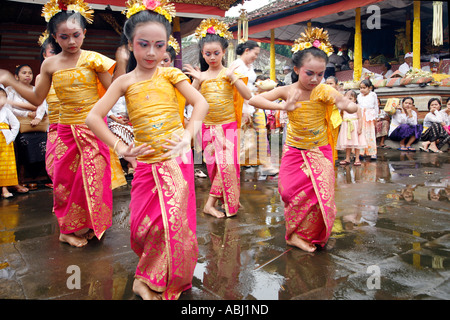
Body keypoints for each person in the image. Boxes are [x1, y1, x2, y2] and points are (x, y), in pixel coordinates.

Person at [86, 1, 209, 300]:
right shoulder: (124, 82)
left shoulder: (171, 75)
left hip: (175, 160)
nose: (152, 53)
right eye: (144, 45)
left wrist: (186, 136)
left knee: (176, 225)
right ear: (131, 45)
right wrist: (121, 148)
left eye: (159, 45)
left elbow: (201, 104)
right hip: (144, 165)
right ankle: (150, 272)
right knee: (144, 227)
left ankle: (152, 280)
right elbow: (92, 117)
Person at [0, 0, 119, 247]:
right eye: (64, 37)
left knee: (96, 180)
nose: (72, 41)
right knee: (66, 184)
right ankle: (67, 231)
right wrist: (11, 82)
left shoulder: (94, 60)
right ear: (55, 37)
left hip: (92, 131)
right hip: (64, 132)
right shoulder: (49, 64)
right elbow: (36, 99)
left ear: (84, 33)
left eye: (76, 35)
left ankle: (90, 225)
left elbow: (113, 92)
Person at [249, 27, 358, 253]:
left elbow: (346, 104)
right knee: (288, 192)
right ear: (297, 69)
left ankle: (308, 236)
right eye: (310, 73)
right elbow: (255, 100)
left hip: (320, 150)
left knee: (320, 198)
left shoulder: (325, 91)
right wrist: (282, 107)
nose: (315, 79)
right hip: (294, 150)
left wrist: (349, 106)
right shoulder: (286, 90)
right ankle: (294, 234)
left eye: (320, 74)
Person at [184, 19, 251, 219]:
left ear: (224, 51)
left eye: (216, 53)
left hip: (229, 126)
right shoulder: (201, 75)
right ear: (202, 54)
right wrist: (196, 80)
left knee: (228, 166)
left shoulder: (230, 74)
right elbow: (188, 102)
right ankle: (224, 200)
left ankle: (210, 204)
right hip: (208, 128)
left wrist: (233, 77)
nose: (212, 57)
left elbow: (247, 95)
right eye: (207, 54)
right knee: (215, 168)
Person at [0, 88, 21, 198]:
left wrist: (11, 137)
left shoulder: (6, 111)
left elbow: (16, 124)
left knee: (5, 164)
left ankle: (5, 188)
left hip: (4, 140)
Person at [336, 90, 366, 166]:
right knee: (347, 143)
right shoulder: (344, 108)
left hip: (355, 126)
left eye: (351, 98)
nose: (348, 101)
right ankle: (347, 158)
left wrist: (360, 128)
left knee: (357, 143)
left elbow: (360, 118)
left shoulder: (357, 107)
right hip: (346, 126)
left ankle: (357, 158)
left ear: (355, 99)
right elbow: (341, 115)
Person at [357, 79, 378, 160]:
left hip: (370, 117)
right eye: (360, 88)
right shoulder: (359, 96)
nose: (362, 90)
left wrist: (376, 116)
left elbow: (376, 106)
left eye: (364, 88)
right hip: (361, 116)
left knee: (370, 134)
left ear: (370, 88)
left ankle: (372, 152)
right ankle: (361, 152)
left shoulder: (373, 95)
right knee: (361, 134)